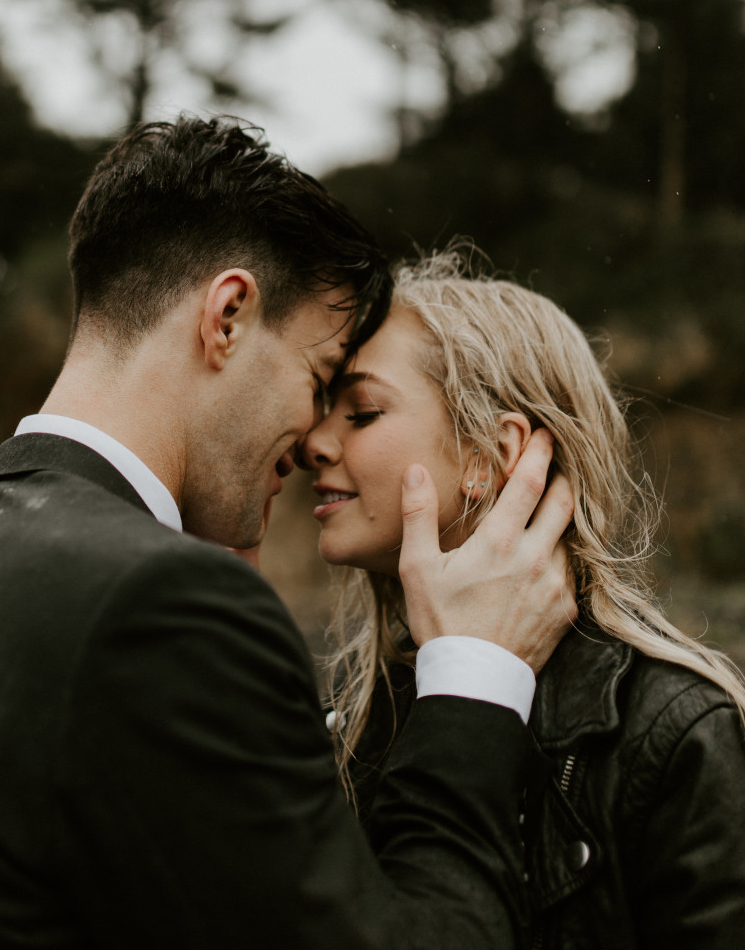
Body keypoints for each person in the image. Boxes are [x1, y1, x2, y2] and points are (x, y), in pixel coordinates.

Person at [0, 120, 575, 950]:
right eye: (318, 380)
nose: (312, 438)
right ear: (229, 316)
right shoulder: (157, 604)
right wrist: (476, 683)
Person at [302, 250, 745, 949]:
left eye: (360, 412)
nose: (313, 442)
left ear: (489, 452)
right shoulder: (352, 712)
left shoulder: (672, 732)